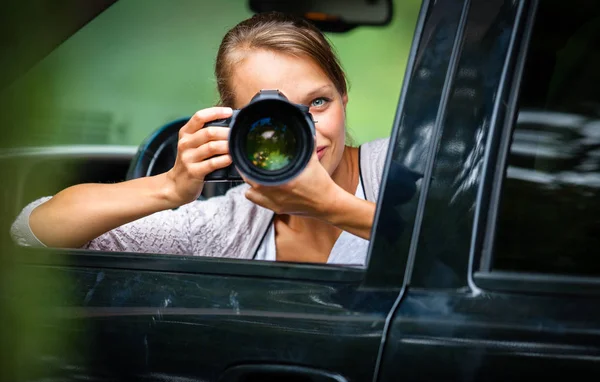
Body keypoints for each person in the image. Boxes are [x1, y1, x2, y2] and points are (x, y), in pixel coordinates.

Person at [10, 12, 390, 266]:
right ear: (233, 126)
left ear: (343, 97)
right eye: (271, 123)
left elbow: (449, 253)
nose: (302, 132)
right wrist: (169, 187)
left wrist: (332, 206)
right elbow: (34, 230)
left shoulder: (405, 165)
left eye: (318, 103)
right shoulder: (230, 223)